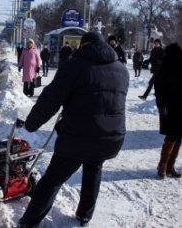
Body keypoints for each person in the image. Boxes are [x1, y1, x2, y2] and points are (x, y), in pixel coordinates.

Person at [16, 32, 129, 228]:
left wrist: (30, 124)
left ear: (83, 46)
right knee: (94, 169)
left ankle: (29, 222)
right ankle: (85, 215)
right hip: (111, 138)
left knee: (52, 179)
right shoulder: (121, 69)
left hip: (78, 138)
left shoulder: (73, 66)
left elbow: (50, 100)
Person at [154, 42, 182, 179]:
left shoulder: (170, 65)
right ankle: (163, 164)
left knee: (178, 135)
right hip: (170, 106)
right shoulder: (167, 67)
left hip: (173, 105)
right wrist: (162, 104)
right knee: (172, 134)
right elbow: (159, 87)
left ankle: (170, 165)